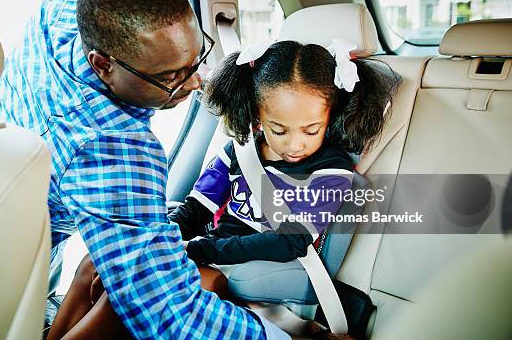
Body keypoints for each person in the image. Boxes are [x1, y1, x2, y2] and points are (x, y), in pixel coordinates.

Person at [0, 0, 294, 340]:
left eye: (196, 57)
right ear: (102, 65)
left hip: (5, 220)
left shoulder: (66, 11)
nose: (196, 82)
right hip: (4, 274)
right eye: (170, 77)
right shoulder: (112, 149)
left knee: (96, 270)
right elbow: (168, 315)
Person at [45, 41, 396, 339]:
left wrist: (199, 249)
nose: (295, 144)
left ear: (330, 116)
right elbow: (196, 208)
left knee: (143, 289)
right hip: (215, 249)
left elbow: (290, 240)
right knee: (98, 263)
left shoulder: (330, 171)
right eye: (279, 128)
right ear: (257, 115)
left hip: (270, 260)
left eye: (310, 129)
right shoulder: (239, 152)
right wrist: (161, 242)